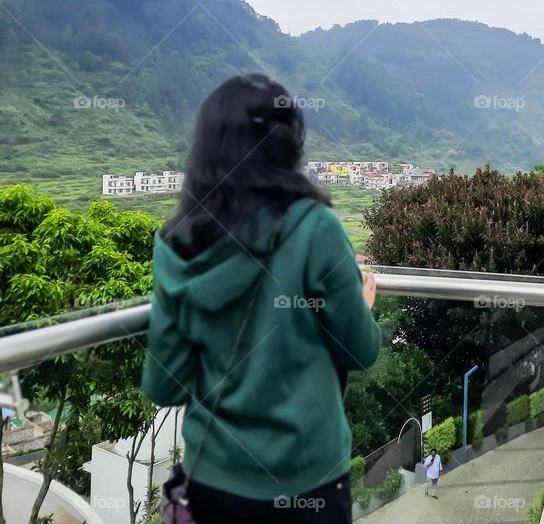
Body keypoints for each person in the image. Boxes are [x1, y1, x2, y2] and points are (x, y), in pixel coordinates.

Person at [142, 74, 381, 523]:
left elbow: (165, 385)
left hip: (214, 483)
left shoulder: (177, 245)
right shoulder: (316, 227)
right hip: (309, 480)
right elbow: (360, 350)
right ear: (289, 143)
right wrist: (361, 310)